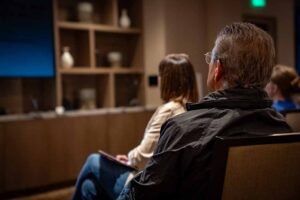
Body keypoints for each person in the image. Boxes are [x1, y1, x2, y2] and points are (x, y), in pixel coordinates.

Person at [117, 22, 292, 200]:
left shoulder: (183, 130)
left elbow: (142, 195)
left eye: (210, 59)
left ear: (218, 69)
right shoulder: (282, 128)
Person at [72, 54, 199, 200]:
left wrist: (129, 158)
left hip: (145, 185)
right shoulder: (193, 109)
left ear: (168, 79)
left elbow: (144, 156)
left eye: (160, 75)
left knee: (93, 160)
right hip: (168, 184)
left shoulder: (168, 111)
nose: (158, 79)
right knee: (88, 187)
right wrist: (129, 159)